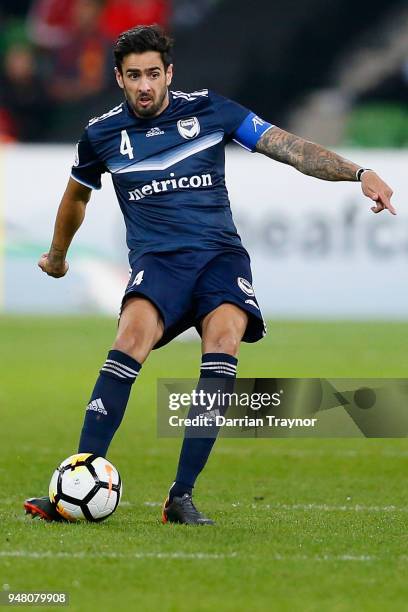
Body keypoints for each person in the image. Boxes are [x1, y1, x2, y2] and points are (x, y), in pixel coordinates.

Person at [24, 25, 395, 525]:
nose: (144, 86)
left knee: (222, 348)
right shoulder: (102, 135)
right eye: (133, 76)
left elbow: (288, 147)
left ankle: (180, 497)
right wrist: (57, 254)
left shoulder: (209, 110)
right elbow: (77, 197)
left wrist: (359, 173)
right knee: (129, 339)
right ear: (119, 78)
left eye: (153, 74)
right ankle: (76, 478)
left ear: (169, 73)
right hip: (157, 263)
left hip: (220, 259)